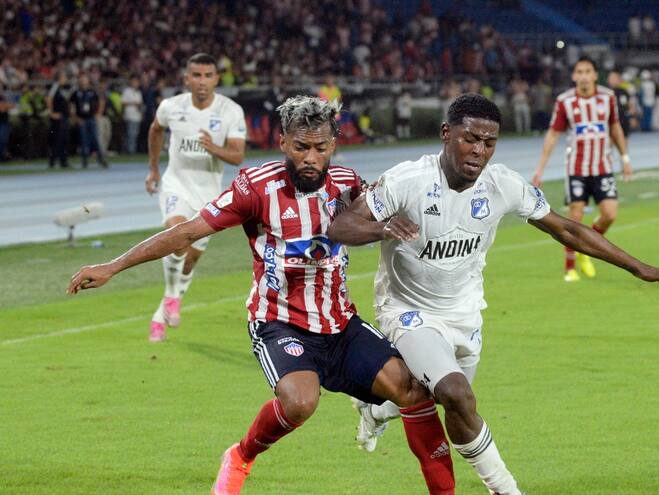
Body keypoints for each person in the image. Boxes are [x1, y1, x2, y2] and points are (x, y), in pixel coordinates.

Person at [67, 95, 455, 495]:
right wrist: (112, 266)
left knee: (413, 391)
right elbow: (186, 232)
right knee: (300, 402)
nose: (311, 157)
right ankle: (240, 456)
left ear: (333, 145)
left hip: (340, 322)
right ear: (283, 142)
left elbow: (387, 218)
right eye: (301, 147)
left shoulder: (348, 183)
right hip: (279, 321)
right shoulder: (255, 187)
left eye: (320, 148)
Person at [327, 93, 659, 495]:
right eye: (470, 139)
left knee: (447, 402)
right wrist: (382, 228)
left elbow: (566, 228)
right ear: (447, 134)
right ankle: (505, 488)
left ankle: (375, 410)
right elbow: (341, 228)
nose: (479, 151)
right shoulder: (407, 181)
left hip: (465, 313)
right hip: (408, 311)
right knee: (457, 395)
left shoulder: (503, 185)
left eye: (489, 142)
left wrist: (639, 268)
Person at [144, 53, 246, 342]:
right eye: (196, 76)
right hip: (176, 185)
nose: (202, 82)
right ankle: (172, 299)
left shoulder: (230, 111)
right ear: (187, 79)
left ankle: (167, 301)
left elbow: (238, 155)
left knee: (189, 260)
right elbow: (155, 130)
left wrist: (214, 147)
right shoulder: (171, 107)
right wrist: (153, 168)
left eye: (208, 76)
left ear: (216, 79)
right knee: (176, 236)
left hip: (209, 197)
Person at [531, 57, 634, 282]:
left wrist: (625, 158)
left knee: (610, 214)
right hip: (576, 168)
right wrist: (540, 169)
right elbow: (553, 135)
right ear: (574, 76)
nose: (584, 75)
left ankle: (587, 248)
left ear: (595, 75)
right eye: (580, 71)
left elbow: (615, 127)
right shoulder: (565, 101)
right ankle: (570, 267)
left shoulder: (608, 98)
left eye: (588, 71)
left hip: (603, 166)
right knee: (575, 217)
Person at [70, 73, 108, 168]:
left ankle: (101, 159)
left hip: (91, 118)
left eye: (85, 79)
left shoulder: (92, 92)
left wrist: (98, 113)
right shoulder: (76, 93)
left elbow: (101, 101)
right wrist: (76, 118)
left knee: (95, 139)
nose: (83, 81)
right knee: (83, 141)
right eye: (82, 80)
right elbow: (71, 106)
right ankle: (85, 161)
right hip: (82, 119)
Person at [47, 72, 71, 168]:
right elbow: (48, 98)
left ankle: (63, 161)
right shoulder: (55, 86)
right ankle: (53, 162)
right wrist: (51, 113)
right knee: (57, 140)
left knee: (64, 140)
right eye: (64, 77)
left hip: (64, 116)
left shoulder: (64, 88)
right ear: (59, 78)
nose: (66, 79)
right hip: (58, 118)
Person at [121, 76, 144, 154]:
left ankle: (132, 149)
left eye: (137, 82)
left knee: (135, 135)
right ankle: (130, 151)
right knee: (130, 134)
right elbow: (123, 103)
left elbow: (140, 104)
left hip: (137, 116)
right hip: (129, 115)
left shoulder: (138, 92)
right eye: (134, 82)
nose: (136, 84)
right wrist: (133, 103)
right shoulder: (127, 91)